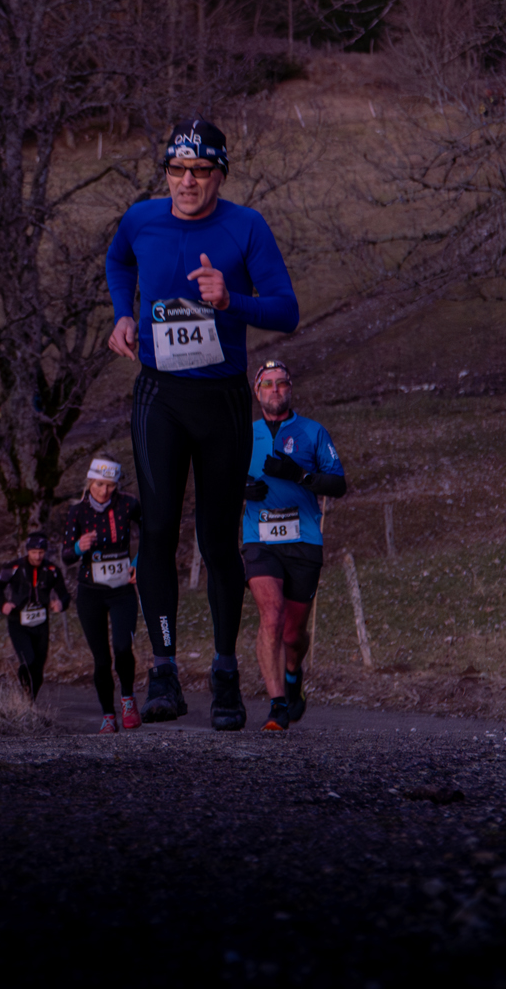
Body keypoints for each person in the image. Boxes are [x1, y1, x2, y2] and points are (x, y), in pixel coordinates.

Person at [105, 118, 300, 731]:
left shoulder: (247, 227)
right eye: (177, 170)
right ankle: (163, 670)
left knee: (217, 541)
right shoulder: (141, 219)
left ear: (220, 174)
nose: (187, 182)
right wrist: (122, 314)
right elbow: (118, 260)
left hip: (220, 402)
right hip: (159, 396)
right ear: (166, 172)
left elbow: (287, 310)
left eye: (200, 171)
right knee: (158, 529)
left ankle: (224, 675)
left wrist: (229, 300)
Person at [241, 360, 346, 730]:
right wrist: (241, 489)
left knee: (293, 634)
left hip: (304, 540)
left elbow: (338, 484)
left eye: (282, 383)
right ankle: (277, 705)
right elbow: (214, 480)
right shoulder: (243, 434)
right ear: (257, 392)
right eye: (267, 384)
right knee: (271, 615)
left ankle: (292, 673)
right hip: (259, 540)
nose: (275, 389)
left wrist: (300, 475)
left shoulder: (312, 432)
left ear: (290, 389)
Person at [62, 457, 145, 733]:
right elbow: (66, 555)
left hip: (122, 590)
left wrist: (138, 561)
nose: (104, 491)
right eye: (99, 484)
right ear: (90, 482)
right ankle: (108, 715)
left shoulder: (128, 504)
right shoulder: (77, 511)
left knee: (122, 647)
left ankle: (128, 699)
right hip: (90, 593)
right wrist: (78, 547)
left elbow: (151, 530)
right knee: (101, 659)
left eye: (110, 485)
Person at [0, 534, 70, 701]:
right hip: (18, 622)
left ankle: (30, 699)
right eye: (34, 552)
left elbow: (65, 594)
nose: (37, 556)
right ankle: (26, 695)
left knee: (38, 667)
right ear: (27, 551)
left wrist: (61, 604)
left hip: (41, 623)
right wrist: (3, 604)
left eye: (41, 552)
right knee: (28, 661)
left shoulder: (52, 570)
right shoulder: (13, 567)